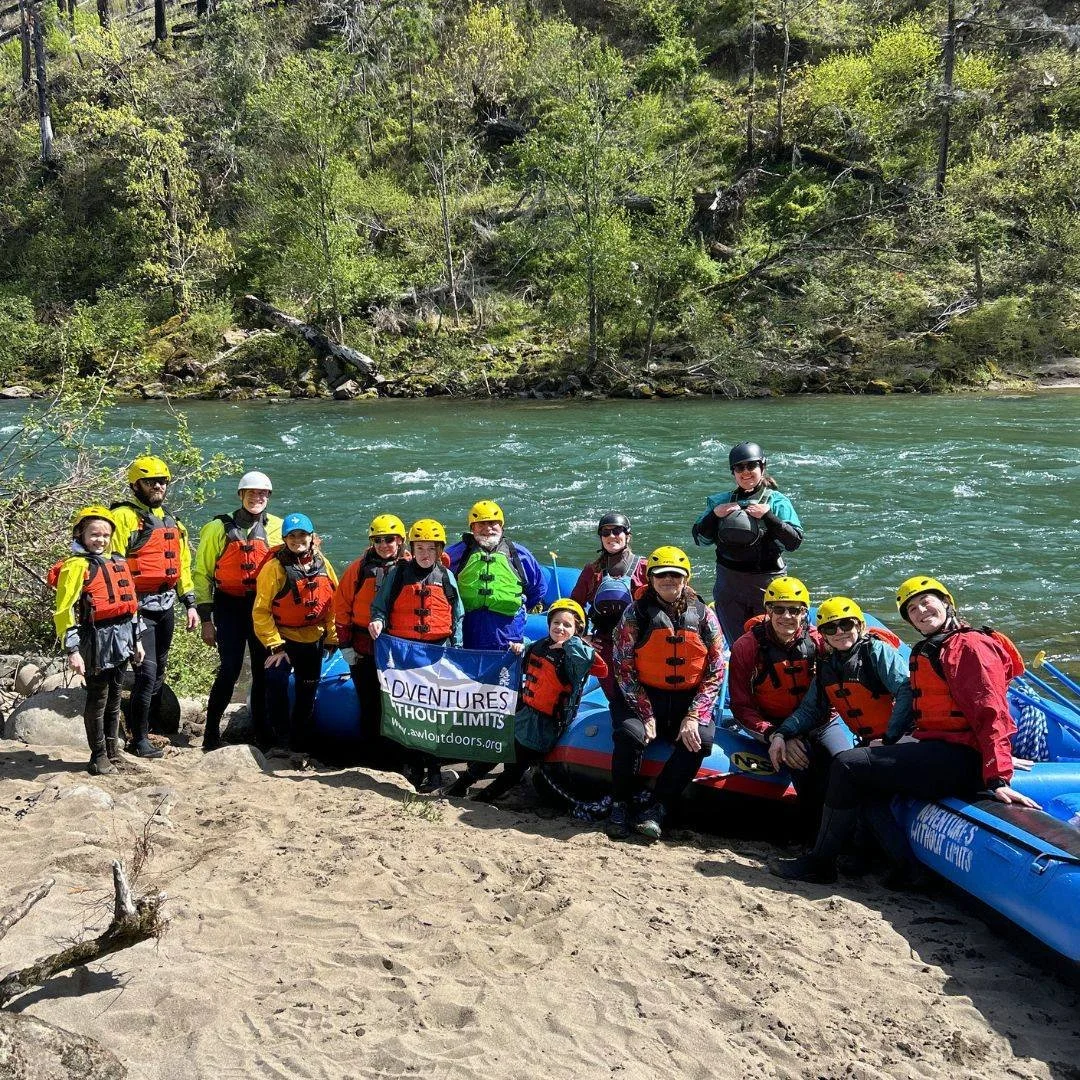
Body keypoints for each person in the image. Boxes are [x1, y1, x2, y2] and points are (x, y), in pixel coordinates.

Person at [770, 575, 1039, 886]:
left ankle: (821, 863)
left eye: (926, 602)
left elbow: (991, 712)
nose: (921, 610)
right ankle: (904, 868)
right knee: (862, 776)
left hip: (962, 759)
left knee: (848, 764)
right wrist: (781, 732)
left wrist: (998, 775)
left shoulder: (969, 645)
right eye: (912, 609)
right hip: (941, 749)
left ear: (946, 603)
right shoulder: (934, 647)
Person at [608, 546, 725, 842]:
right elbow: (623, 667)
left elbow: (716, 669)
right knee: (630, 735)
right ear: (651, 579)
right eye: (662, 575)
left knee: (701, 739)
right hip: (643, 696)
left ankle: (657, 808)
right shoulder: (635, 615)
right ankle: (621, 803)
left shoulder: (704, 616)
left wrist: (693, 714)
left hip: (686, 700)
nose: (669, 580)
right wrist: (646, 713)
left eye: (675, 574)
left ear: (686, 578)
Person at [446, 598, 608, 803]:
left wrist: (576, 639)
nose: (560, 628)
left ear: (577, 631)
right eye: (556, 622)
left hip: (545, 725)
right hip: (524, 714)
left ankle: (483, 799)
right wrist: (517, 647)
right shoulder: (540, 646)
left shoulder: (575, 657)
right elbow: (527, 650)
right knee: (496, 751)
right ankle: (459, 788)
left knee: (515, 767)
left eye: (567, 625)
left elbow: (591, 662)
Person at [727, 576, 839, 834]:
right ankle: (815, 833)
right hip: (774, 724)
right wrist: (774, 734)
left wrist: (805, 729)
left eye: (795, 610)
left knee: (843, 763)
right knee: (800, 765)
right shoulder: (747, 647)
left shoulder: (819, 642)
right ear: (768, 611)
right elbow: (742, 706)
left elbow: (836, 690)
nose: (786, 616)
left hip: (819, 722)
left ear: (804, 613)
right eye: (779, 609)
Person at [109, 455, 199, 758]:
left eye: (162, 481)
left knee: (159, 668)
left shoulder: (172, 521)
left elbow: (182, 566)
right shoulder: (123, 517)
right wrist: (126, 608)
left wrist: (190, 602)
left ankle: (150, 727)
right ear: (137, 485)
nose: (158, 486)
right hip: (137, 608)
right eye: (151, 482)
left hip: (165, 605)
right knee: (146, 672)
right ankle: (138, 739)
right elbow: (114, 564)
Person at [369, 518, 465, 793]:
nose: (425, 554)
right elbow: (380, 607)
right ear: (412, 548)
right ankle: (412, 768)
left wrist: (456, 650)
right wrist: (377, 620)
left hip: (437, 654)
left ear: (439, 552)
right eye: (420, 548)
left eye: (431, 549)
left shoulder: (446, 577)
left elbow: (457, 615)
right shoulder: (398, 575)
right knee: (409, 712)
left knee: (434, 713)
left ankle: (434, 770)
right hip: (405, 654)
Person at [51, 506, 144, 774]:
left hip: (123, 636)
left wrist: (136, 641)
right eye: (94, 534)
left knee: (115, 697)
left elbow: (132, 607)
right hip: (95, 639)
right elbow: (64, 610)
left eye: (105, 535)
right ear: (80, 534)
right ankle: (98, 756)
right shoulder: (76, 567)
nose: (100, 540)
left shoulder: (118, 561)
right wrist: (72, 650)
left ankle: (114, 752)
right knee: (99, 698)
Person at [194, 471, 281, 751]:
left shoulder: (279, 528)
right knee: (230, 669)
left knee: (261, 670)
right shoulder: (217, 529)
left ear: (268, 497)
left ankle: (263, 734)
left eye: (263, 493)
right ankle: (210, 733)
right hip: (229, 606)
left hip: (262, 609)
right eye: (252, 493)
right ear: (241, 495)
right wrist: (206, 619)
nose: (258, 497)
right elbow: (202, 574)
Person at [691, 441, 804, 646]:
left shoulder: (777, 502)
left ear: (762, 467)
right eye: (739, 467)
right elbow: (700, 538)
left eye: (751, 466)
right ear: (733, 472)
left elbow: (794, 541)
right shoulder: (719, 502)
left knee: (771, 643)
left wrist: (769, 517)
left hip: (766, 582)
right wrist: (715, 516)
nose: (745, 472)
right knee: (739, 645)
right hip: (729, 583)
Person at [252, 513, 338, 754]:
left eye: (302, 535)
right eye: (292, 536)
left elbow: (333, 603)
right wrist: (275, 645)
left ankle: (300, 740)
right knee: (276, 683)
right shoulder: (274, 569)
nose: (297, 540)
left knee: (307, 689)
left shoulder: (322, 563)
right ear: (285, 539)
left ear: (312, 538)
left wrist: (332, 636)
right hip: (283, 640)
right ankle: (279, 739)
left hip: (313, 637)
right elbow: (261, 611)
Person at [333, 514, 409, 760]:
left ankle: (399, 756)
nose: (384, 545)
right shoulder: (359, 568)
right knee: (369, 704)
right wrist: (345, 645)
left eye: (389, 539)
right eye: (378, 540)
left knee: (398, 704)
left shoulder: (410, 566)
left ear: (400, 541)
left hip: (397, 648)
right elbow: (342, 606)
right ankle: (373, 756)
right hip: (364, 646)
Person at [445, 500, 546, 651]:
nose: (488, 529)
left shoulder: (519, 555)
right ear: (472, 528)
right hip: (467, 636)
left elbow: (538, 589)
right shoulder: (457, 553)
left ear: (501, 526)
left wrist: (520, 607)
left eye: (493, 523)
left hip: (507, 638)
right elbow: (434, 571)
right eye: (481, 524)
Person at [570, 512, 648, 704]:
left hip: (640, 644)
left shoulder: (644, 567)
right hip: (605, 644)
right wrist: (581, 636)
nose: (612, 536)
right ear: (601, 538)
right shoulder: (592, 571)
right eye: (606, 532)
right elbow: (573, 607)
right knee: (616, 699)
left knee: (643, 697)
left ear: (627, 535)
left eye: (617, 531)